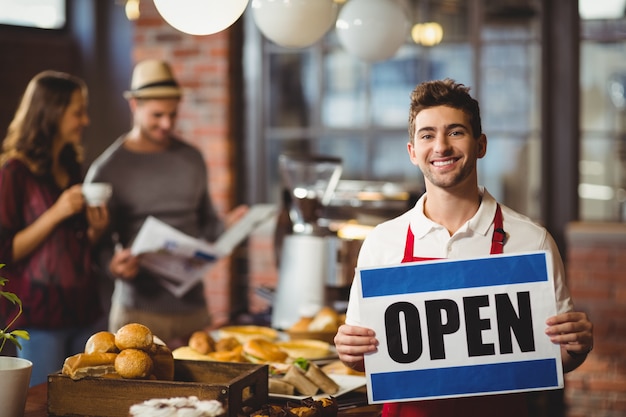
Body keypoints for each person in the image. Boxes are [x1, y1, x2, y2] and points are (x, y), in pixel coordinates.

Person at [334, 79, 594, 417]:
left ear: (480, 144)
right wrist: (351, 352)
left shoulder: (532, 241)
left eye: (455, 132)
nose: (441, 146)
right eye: (427, 135)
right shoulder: (383, 243)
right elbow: (368, 358)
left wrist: (576, 348)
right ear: (413, 151)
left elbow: (553, 356)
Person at [85, 59, 247, 347]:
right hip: (137, 314)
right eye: (157, 115)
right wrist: (112, 264)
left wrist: (227, 227)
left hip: (195, 310)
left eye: (173, 115)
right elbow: (93, 242)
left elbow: (206, 224)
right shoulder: (107, 169)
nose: (167, 124)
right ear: (134, 106)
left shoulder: (192, 159)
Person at [0, 70, 109, 386]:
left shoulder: (71, 165)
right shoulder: (13, 172)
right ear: (52, 112)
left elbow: (73, 244)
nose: (85, 120)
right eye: (78, 112)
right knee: (44, 404)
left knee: (88, 402)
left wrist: (95, 231)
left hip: (86, 310)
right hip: (40, 317)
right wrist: (56, 212)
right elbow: (5, 252)